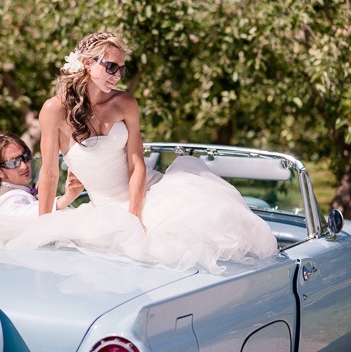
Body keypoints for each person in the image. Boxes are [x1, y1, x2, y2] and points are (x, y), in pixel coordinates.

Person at [34, 30, 277, 272]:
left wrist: (134, 217)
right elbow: (49, 173)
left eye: (121, 69)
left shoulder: (125, 103)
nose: (117, 75)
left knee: (199, 236)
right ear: (87, 63)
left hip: (151, 195)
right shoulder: (54, 110)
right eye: (111, 67)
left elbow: (137, 165)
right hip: (105, 210)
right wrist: (43, 225)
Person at [0, 133, 83, 217]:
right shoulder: (3, 201)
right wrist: (65, 199)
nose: (24, 166)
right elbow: (20, 217)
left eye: (25, 156)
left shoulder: (26, 189)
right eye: (13, 162)